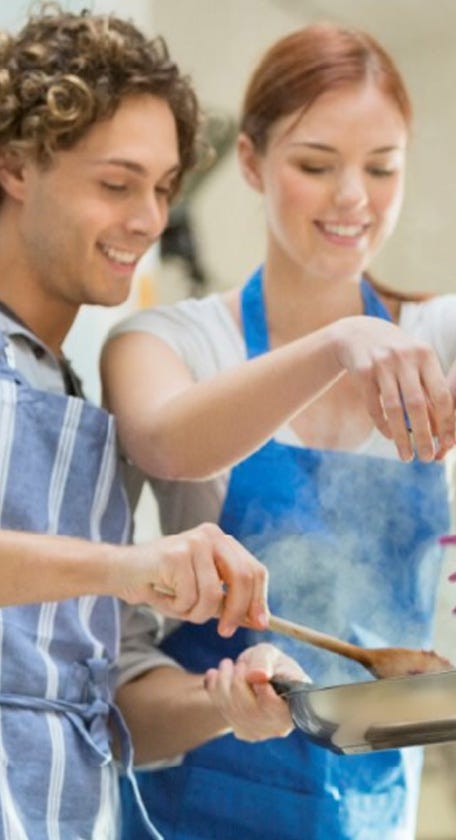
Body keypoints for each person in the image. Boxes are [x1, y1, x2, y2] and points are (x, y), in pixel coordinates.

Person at [101, 22, 456, 840]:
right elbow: (162, 439)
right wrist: (335, 347)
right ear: (251, 164)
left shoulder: (441, 328)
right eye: (316, 165)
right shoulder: (174, 341)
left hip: (373, 809)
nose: (353, 198)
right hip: (199, 806)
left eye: (382, 167)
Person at [0, 7, 312, 839]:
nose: (148, 219)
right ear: (15, 164)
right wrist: (128, 563)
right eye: (117, 183)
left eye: (163, 188)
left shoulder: (72, 399)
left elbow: (112, 703)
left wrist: (222, 703)